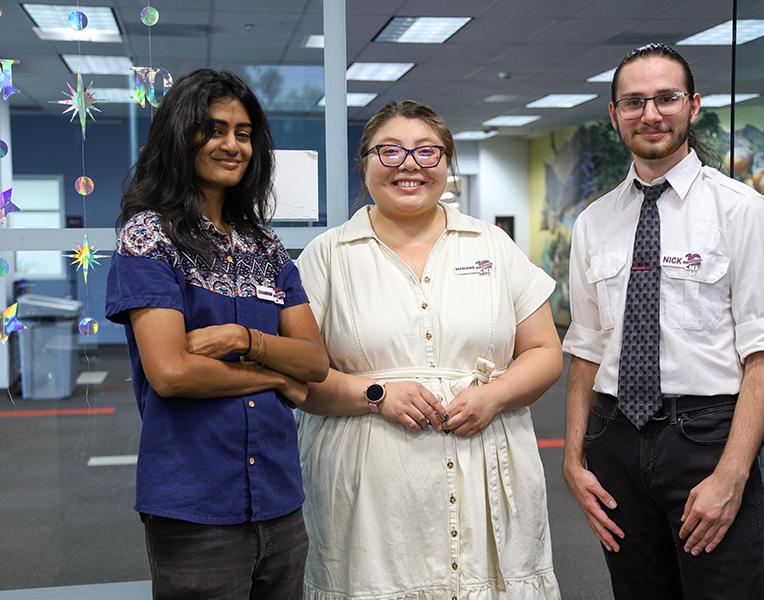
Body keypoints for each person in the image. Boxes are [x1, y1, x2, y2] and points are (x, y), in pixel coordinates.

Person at [295, 100, 563, 599]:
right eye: (390, 151)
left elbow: (546, 351)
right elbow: (301, 381)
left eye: (427, 151)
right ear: (365, 164)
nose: (409, 165)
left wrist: (496, 395)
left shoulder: (492, 246)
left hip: (487, 463)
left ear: (446, 163)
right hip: (370, 486)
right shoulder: (327, 256)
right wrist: (375, 394)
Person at [561, 43, 764, 600]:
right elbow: (587, 348)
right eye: (634, 102)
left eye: (666, 98)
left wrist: (733, 473)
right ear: (615, 114)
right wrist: (572, 458)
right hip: (614, 436)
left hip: (706, 439)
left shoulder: (741, 210)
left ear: (693, 105)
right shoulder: (594, 221)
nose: (651, 114)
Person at [105, 69, 329, 600]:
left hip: (279, 498)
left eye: (244, 132)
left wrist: (240, 339)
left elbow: (316, 363)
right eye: (213, 129)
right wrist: (276, 375)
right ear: (180, 136)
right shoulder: (148, 236)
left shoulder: (265, 246)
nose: (232, 144)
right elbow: (172, 373)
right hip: (195, 503)